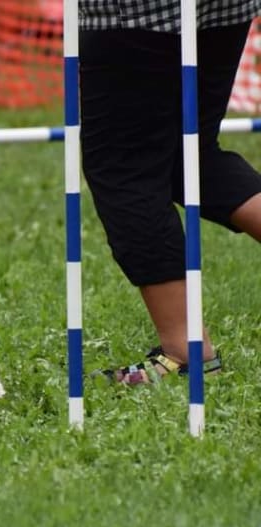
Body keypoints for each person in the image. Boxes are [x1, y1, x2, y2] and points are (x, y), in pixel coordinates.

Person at [78, 0, 261, 384]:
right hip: (223, 8)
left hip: (136, 12)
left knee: (125, 168)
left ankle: (184, 351)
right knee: (190, 155)